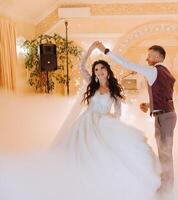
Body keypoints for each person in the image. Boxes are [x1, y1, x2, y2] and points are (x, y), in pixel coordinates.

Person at [0, 41, 160, 200]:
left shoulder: (114, 91)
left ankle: (103, 182)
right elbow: (81, 66)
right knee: (80, 152)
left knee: (106, 155)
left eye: (102, 68)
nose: (99, 72)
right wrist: (91, 49)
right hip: (86, 123)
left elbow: (118, 113)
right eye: (96, 69)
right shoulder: (91, 83)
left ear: (107, 70)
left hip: (105, 123)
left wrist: (112, 125)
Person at [97, 41, 177, 194]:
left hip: (165, 117)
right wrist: (150, 105)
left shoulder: (154, 71)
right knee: (163, 151)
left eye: (149, 56)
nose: (147, 59)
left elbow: (127, 64)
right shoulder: (165, 72)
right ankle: (165, 186)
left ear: (159, 56)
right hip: (165, 115)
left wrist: (106, 51)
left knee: (165, 153)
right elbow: (166, 95)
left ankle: (167, 191)